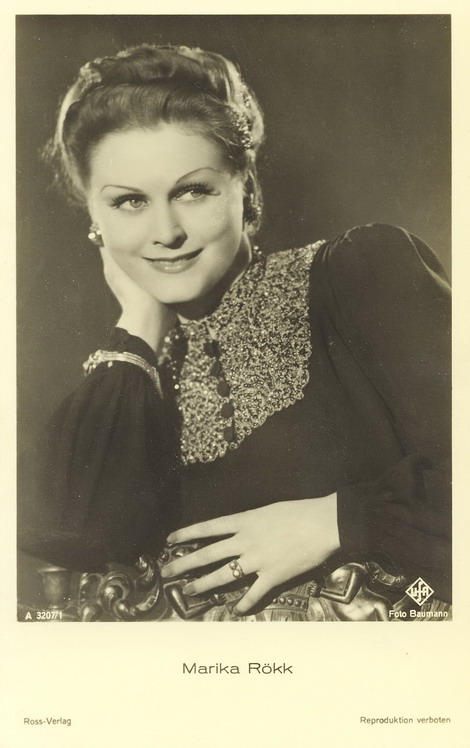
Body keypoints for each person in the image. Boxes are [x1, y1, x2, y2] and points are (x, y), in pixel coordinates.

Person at [19, 44, 451, 621]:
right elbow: (70, 540)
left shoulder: (360, 273)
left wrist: (336, 521)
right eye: (128, 202)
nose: (165, 232)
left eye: (192, 191)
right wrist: (138, 325)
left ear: (244, 185)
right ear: (94, 220)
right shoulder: (130, 381)